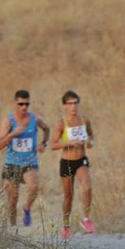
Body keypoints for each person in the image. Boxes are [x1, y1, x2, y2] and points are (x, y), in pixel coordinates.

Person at [0, 89, 50, 234]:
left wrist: (43, 144)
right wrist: (12, 134)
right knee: (12, 199)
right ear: (15, 104)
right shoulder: (8, 121)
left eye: (26, 104)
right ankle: (13, 227)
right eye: (21, 104)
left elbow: (46, 129)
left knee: (33, 188)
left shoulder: (35, 119)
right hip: (11, 163)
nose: (24, 107)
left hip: (29, 162)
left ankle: (27, 208)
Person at [49, 90, 95, 240]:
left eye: (75, 103)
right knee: (68, 196)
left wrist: (90, 142)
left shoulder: (84, 121)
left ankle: (86, 219)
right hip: (67, 162)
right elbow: (52, 145)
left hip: (81, 160)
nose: (73, 106)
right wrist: (68, 143)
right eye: (70, 104)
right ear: (64, 106)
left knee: (87, 186)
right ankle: (65, 225)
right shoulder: (61, 123)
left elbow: (91, 136)